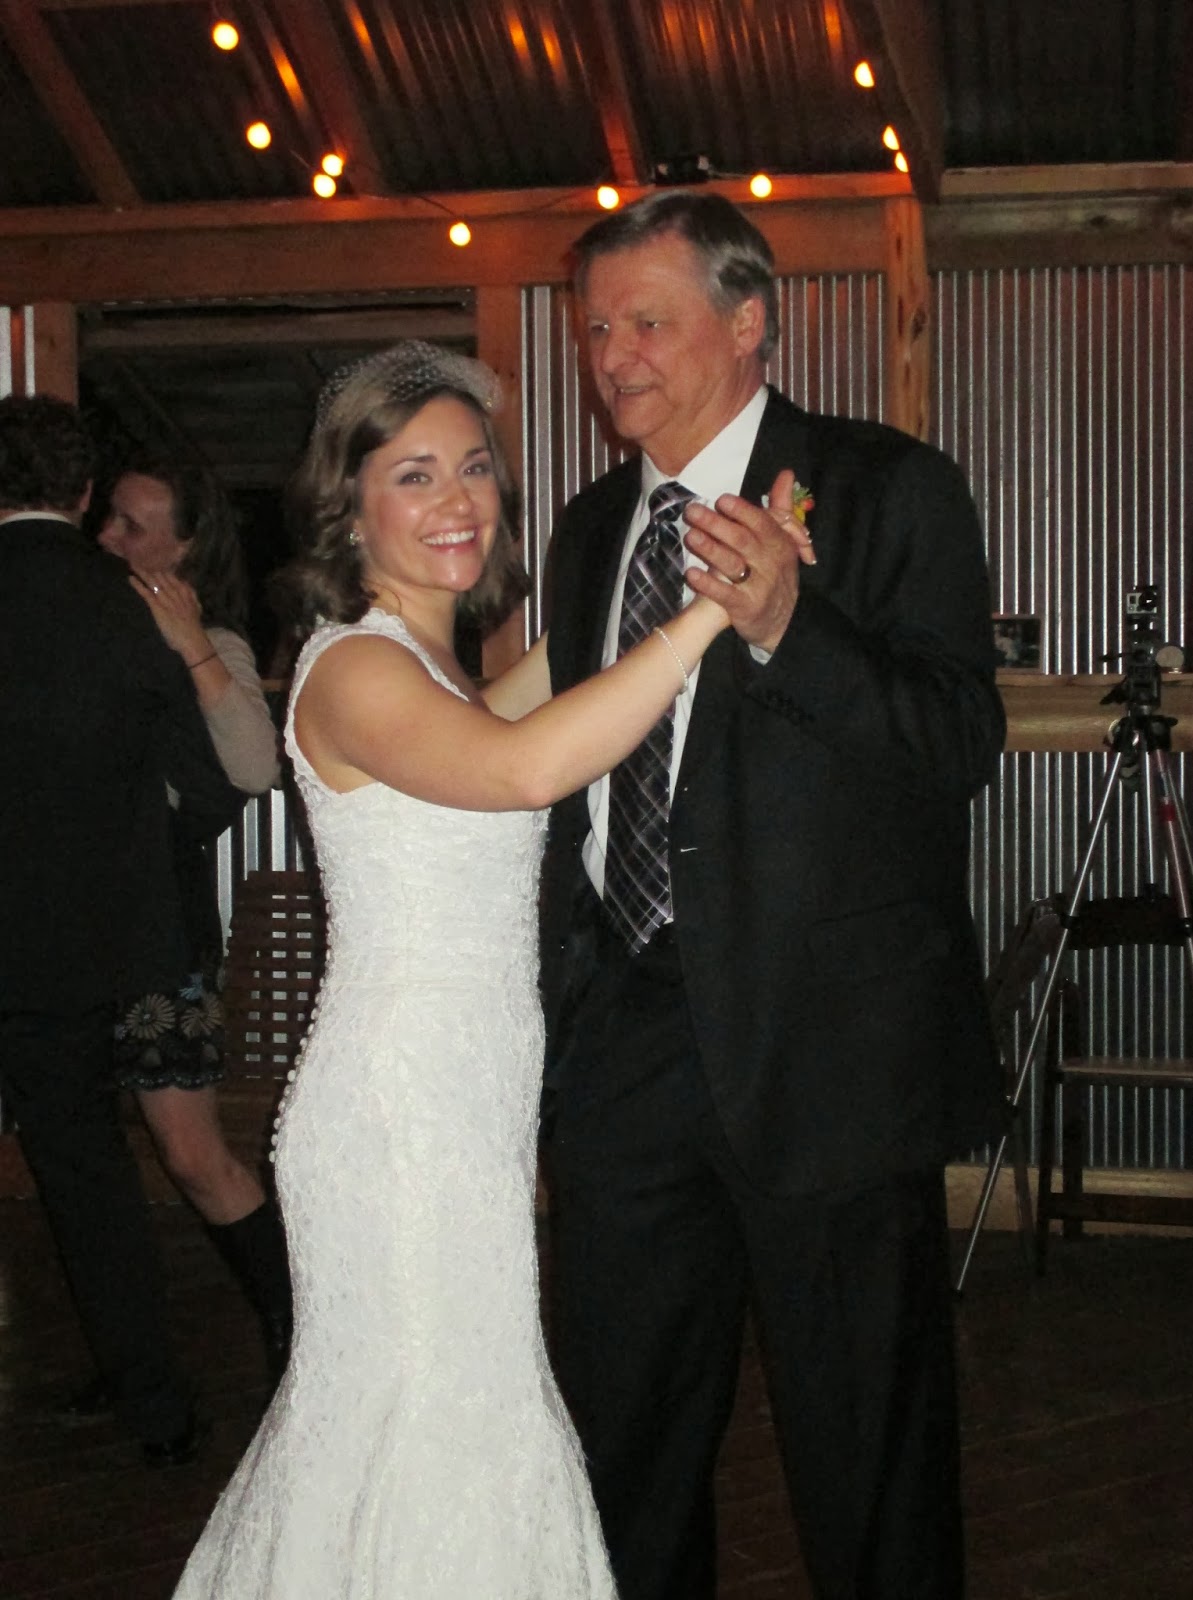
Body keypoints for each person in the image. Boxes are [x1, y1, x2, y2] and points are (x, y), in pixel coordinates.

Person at [170, 339, 783, 1598]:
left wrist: (661, 552)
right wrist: (715, 613)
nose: (457, 500)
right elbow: (526, 767)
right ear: (349, 506)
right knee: (428, 1429)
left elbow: (538, 695)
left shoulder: (440, 671)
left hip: (463, 1109)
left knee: (445, 1421)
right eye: (413, 475)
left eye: (473, 468)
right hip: (399, 1124)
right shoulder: (353, 665)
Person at [537, 191, 1008, 1600]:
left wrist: (794, 626)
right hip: (626, 1038)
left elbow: (957, 743)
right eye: (597, 329)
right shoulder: (588, 530)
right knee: (626, 1444)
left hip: (827, 1048)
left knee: (868, 1455)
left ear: (749, 321)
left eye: (648, 321)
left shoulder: (886, 487)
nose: (615, 356)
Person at [0, 394, 244, 1466]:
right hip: (117, 933)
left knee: (77, 1166)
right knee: (131, 1162)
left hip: (20, 936)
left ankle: (144, 1389)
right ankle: (162, 1406)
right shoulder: (128, 607)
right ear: (84, 491)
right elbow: (212, 785)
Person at [49, 456, 290, 1418]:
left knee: (191, 1155)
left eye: (136, 526)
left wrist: (189, 643)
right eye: (108, 519)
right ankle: (133, 1359)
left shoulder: (212, 639)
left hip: (157, 931)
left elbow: (254, 766)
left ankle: (299, 1330)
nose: (110, 538)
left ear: (186, 549)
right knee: (87, 1154)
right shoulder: (75, 624)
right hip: (70, 928)